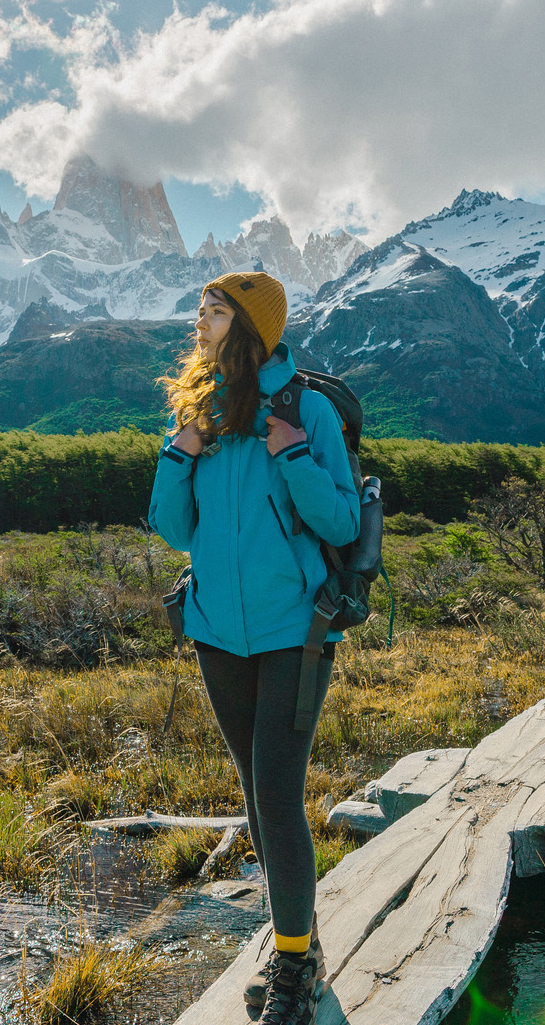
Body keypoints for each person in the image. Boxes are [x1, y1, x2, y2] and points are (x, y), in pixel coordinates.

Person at [149, 271, 360, 1025]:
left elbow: (340, 522)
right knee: (254, 790)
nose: (198, 318)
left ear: (248, 324)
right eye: (200, 305)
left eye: (212, 309)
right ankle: (291, 938)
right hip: (215, 631)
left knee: (275, 791)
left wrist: (295, 455)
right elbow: (175, 530)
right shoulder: (198, 409)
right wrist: (181, 453)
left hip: (294, 632)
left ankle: (297, 966)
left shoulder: (306, 408)